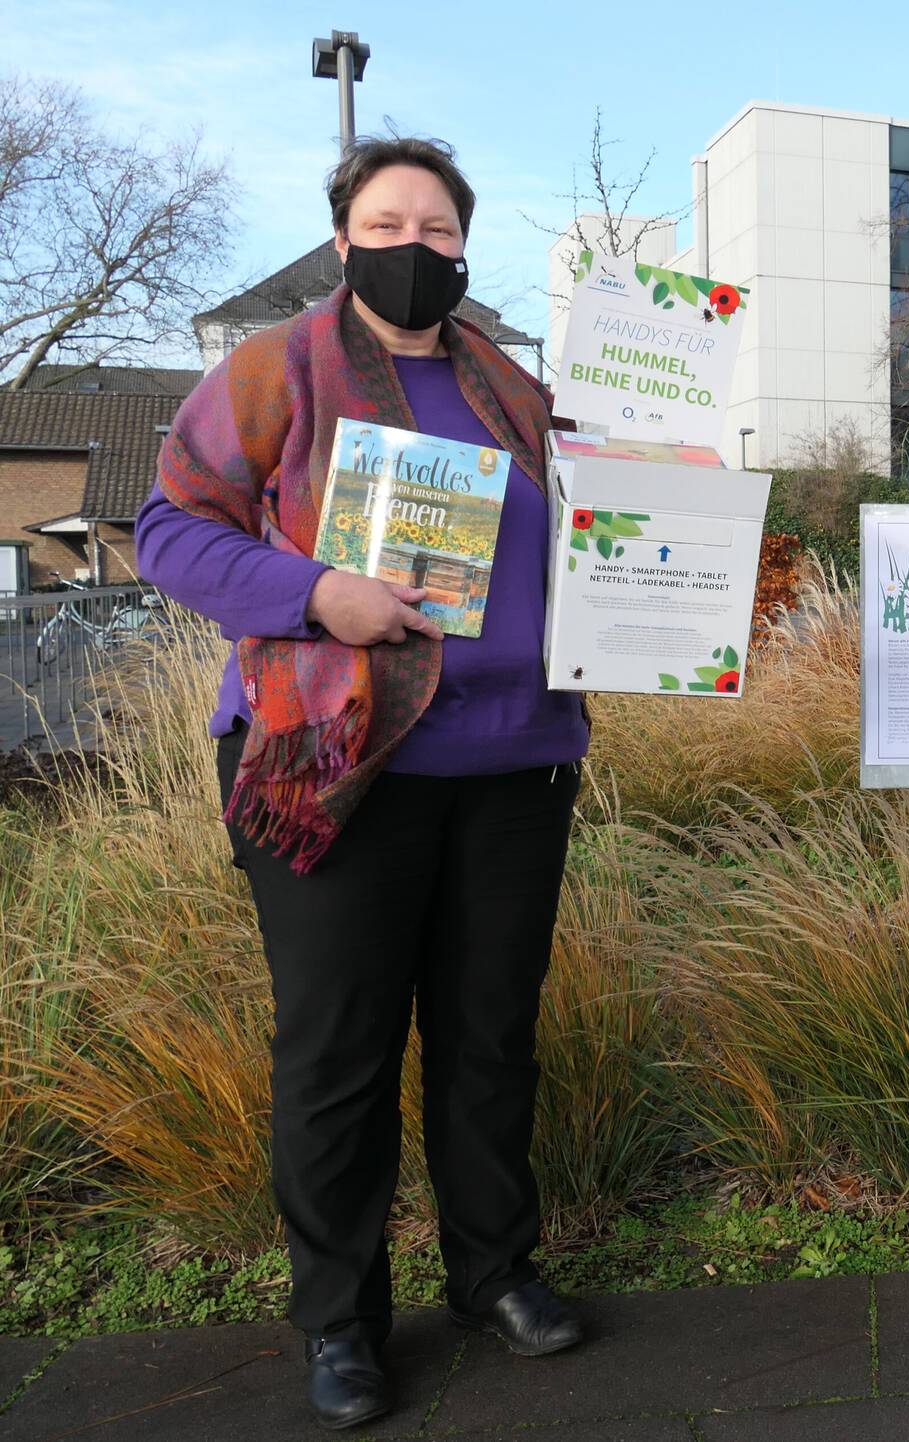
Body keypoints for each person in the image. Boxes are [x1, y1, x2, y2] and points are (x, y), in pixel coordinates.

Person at [136, 136, 589, 1430]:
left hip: (513, 762)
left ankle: (496, 1270)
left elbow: (592, 535)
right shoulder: (276, 366)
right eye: (387, 220)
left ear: (464, 245)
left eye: (438, 226)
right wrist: (312, 590)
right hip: (335, 764)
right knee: (337, 1050)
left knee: (491, 1035)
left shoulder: (514, 387)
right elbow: (169, 526)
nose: (414, 242)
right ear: (343, 239)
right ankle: (341, 1320)